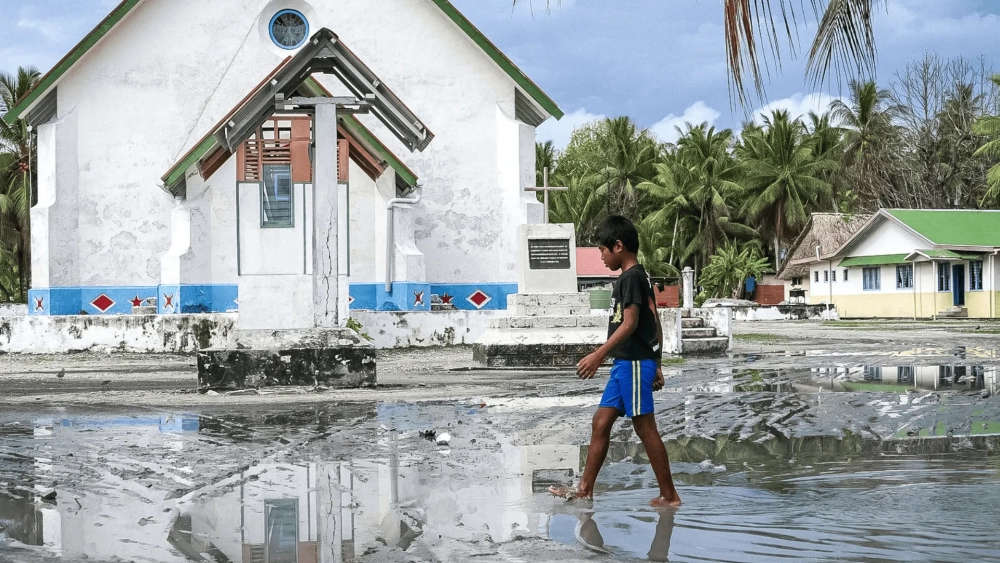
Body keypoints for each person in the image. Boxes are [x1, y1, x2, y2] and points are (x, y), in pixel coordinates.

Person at [550, 215, 681, 508]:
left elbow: (631, 323)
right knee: (601, 422)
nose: (601, 256)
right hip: (628, 364)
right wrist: (657, 361)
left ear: (619, 246)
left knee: (645, 427)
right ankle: (584, 489)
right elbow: (654, 317)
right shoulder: (637, 276)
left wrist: (598, 355)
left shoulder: (631, 277)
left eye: (603, 250)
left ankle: (670, 495)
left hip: (633, 363)